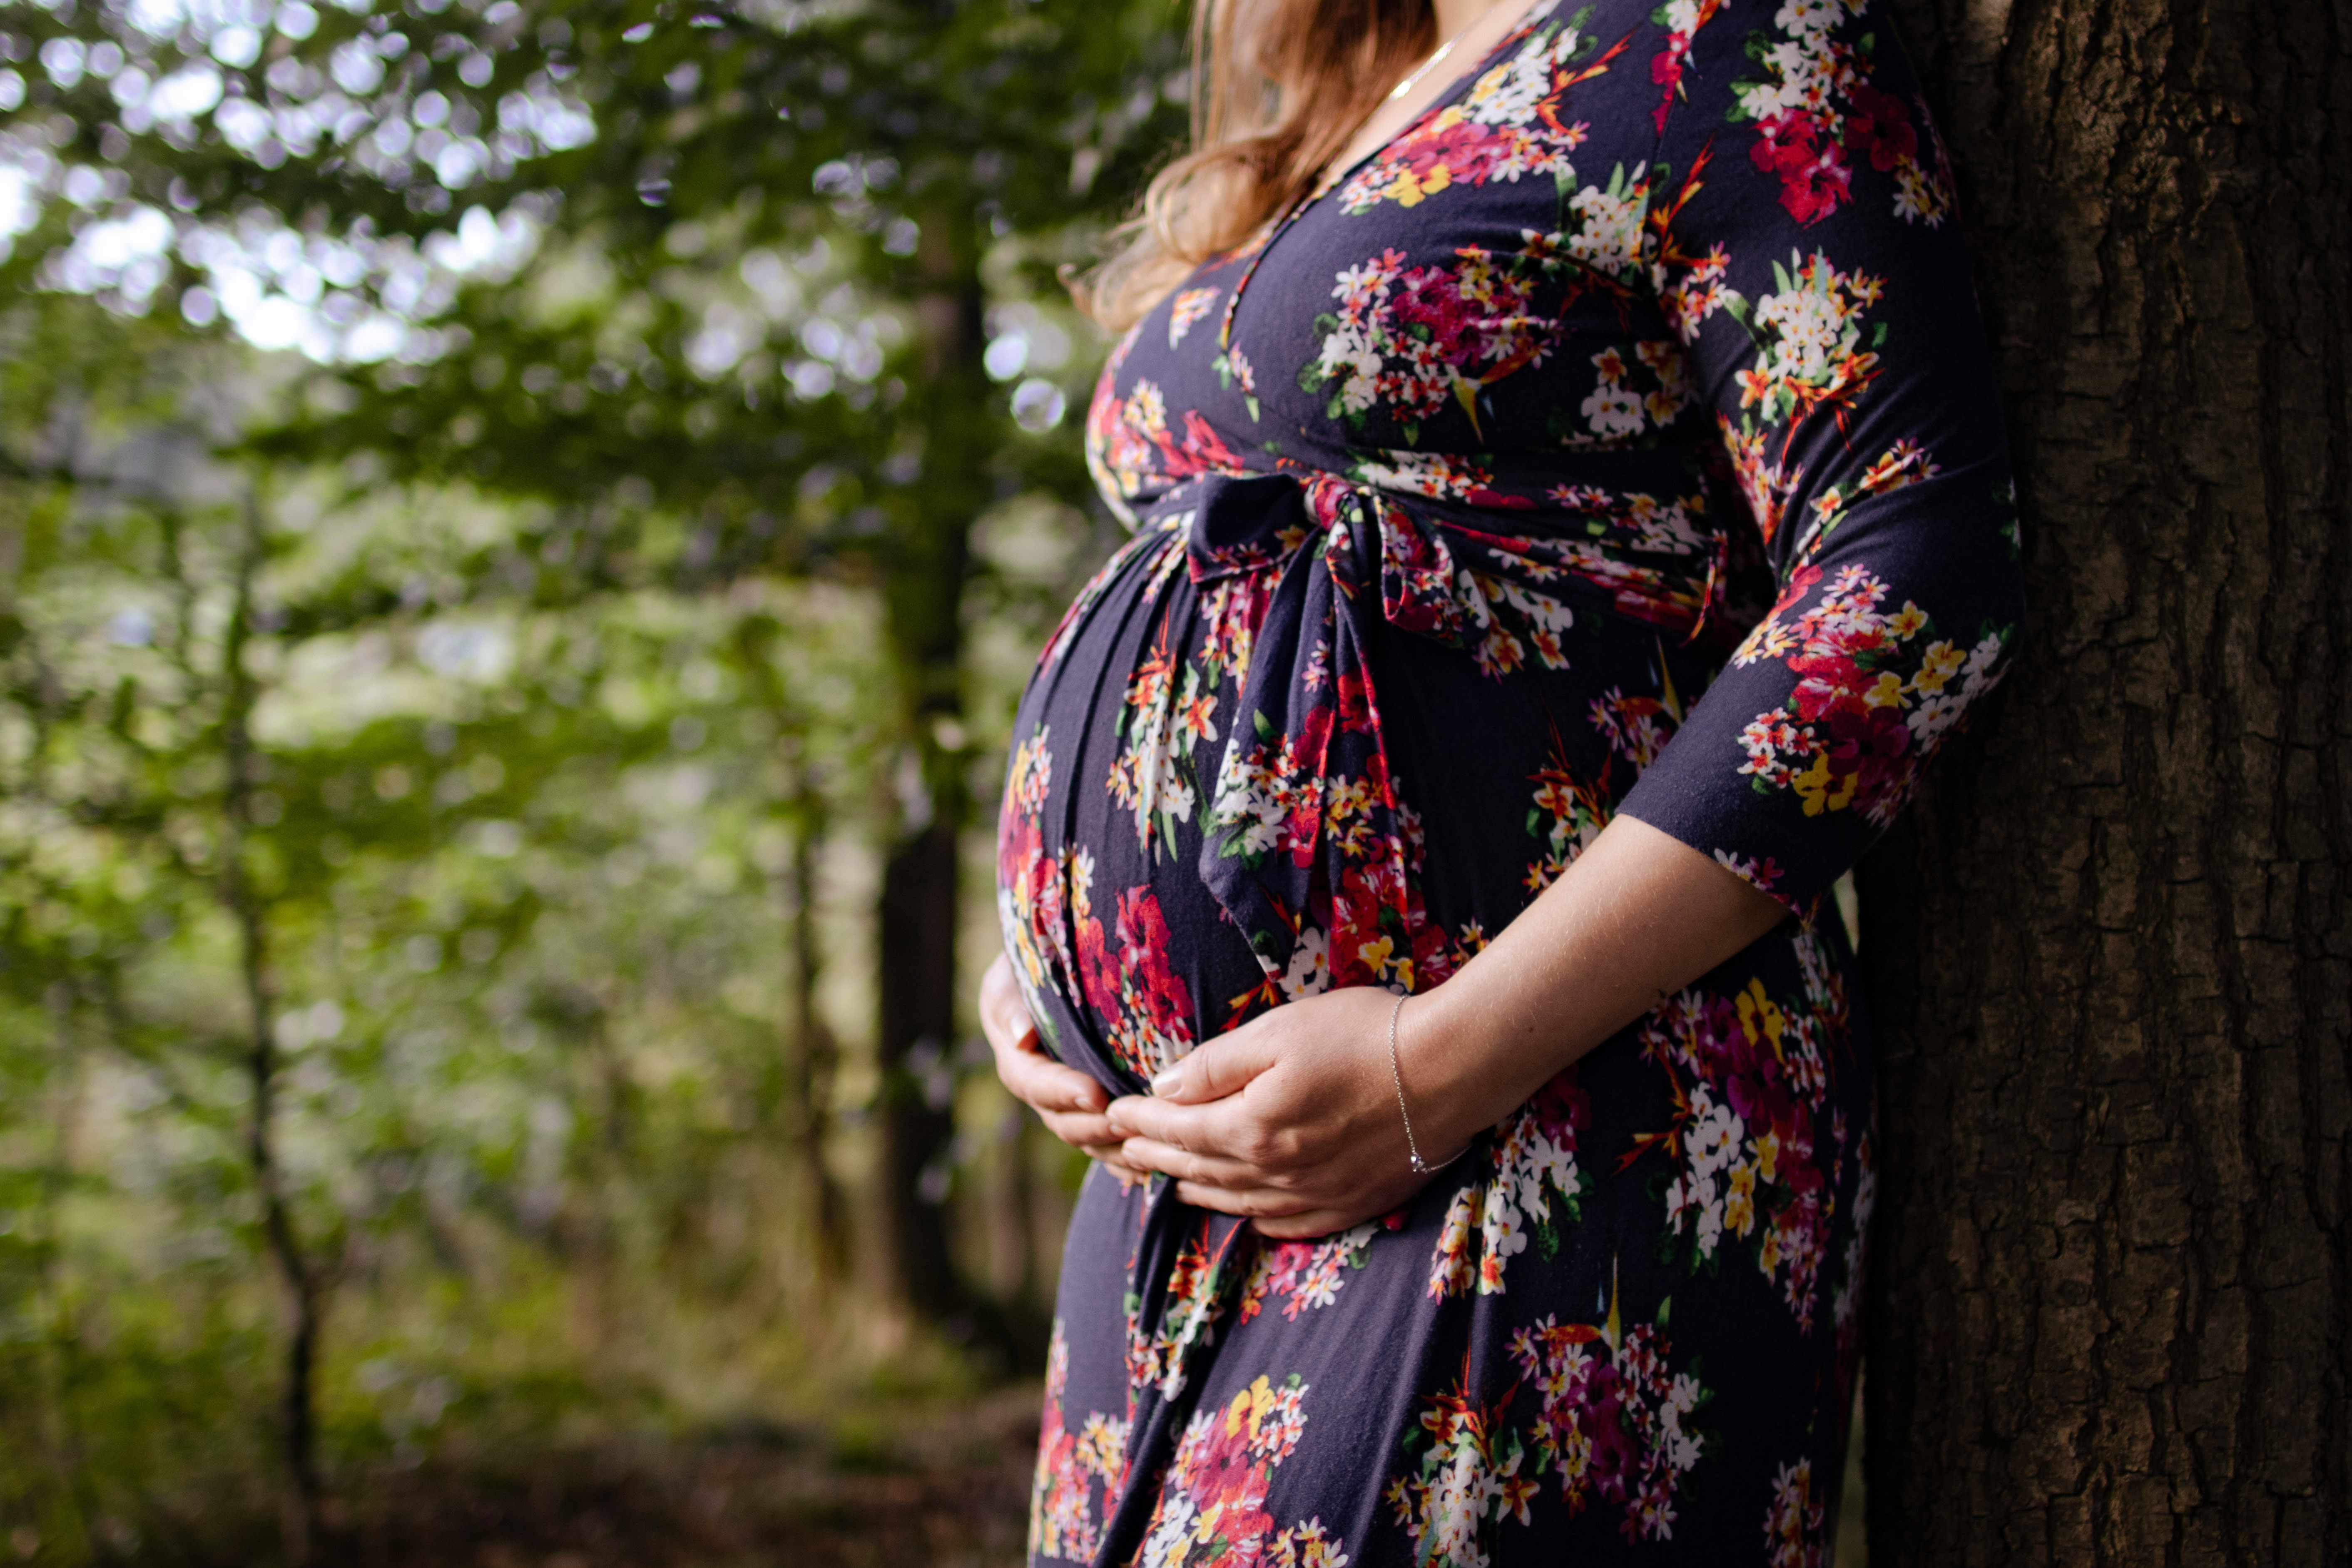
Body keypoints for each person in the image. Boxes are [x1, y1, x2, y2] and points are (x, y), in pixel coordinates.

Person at [980, 0, 2022, 1558]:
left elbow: (1909, 572)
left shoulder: (1709, 41)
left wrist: (1439, 1064)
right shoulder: (1344, 106)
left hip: (1546, 1097)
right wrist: (1046, 964)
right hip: (1181, 1170)